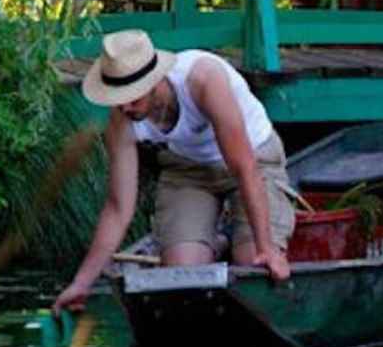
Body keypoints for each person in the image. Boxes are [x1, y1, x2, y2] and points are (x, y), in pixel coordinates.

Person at [52, 29, 293, 315]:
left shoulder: (203, 79)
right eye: (118, 99)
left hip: (254, 160)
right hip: (187, 170)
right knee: (181, 278)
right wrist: (82, 283)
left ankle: (235, 239)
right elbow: (118, 208)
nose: (126, 107)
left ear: (154, 81)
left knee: (253, 264)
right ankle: (216, 240)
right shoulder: (122, 121)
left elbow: (245, 169)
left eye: (133, 97)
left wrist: (267, 248)